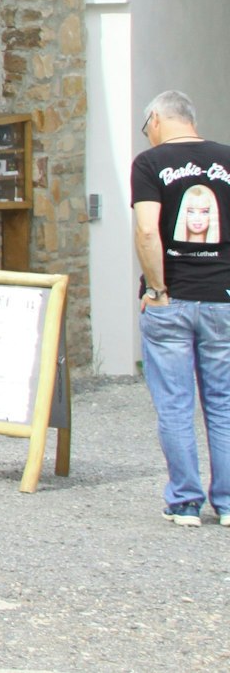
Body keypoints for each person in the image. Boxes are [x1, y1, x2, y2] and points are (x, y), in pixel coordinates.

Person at [130, 90, 230, 527]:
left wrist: (157, 289)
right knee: (223, 403)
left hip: (172, 300)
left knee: (174, 404)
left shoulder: (149, 165)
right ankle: (227, 504)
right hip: (222, 300)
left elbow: (147, 232)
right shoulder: (227, 160)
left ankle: (185, 501)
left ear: (155, 119)